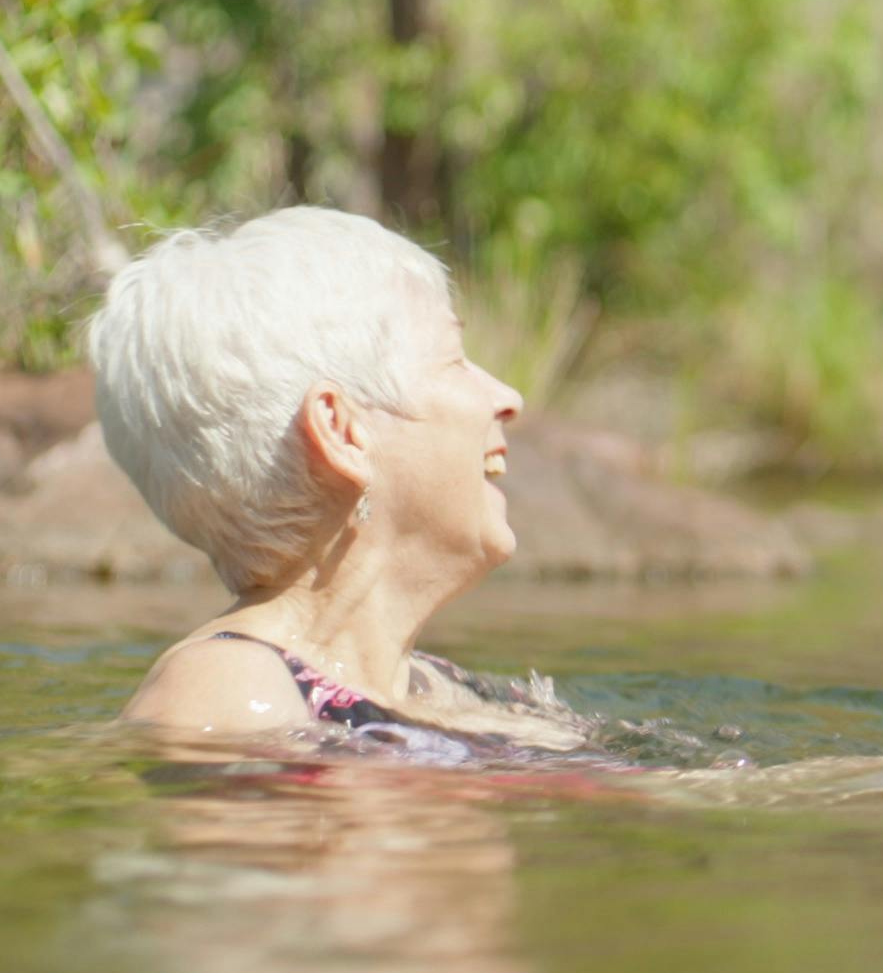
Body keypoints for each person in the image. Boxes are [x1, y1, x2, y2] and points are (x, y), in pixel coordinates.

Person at [93, 207, 584, 756]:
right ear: (342, 431)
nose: (507, 397)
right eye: (453, 360)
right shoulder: (223, 692)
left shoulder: (433, 686)